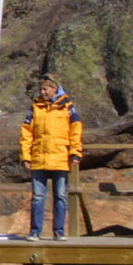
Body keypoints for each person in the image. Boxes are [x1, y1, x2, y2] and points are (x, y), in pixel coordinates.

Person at [19, 76, 83, 240]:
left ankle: (59, 231)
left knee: (60, 196)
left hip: (60, 158)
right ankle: (35, 231)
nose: (42, 92)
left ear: (55, 89)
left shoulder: (67, 107)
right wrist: (26, 155)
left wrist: (75, 153)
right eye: (41, 89)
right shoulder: (36, 107)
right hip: (39, 158)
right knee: (38, 197)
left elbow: (75, 131)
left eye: (45, 89)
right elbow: (27, 132)